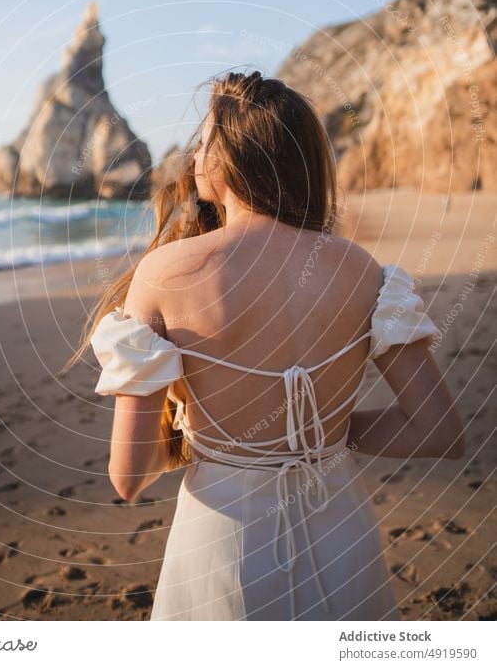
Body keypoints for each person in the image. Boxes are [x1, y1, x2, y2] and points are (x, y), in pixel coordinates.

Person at [64, 69, 465, 621]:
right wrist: (327, 430)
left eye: (203, 139)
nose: (192, 153)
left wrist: (200, 434)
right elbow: (438, 431)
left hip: (224, 541)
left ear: (229, 155)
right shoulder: (361, 269)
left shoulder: (165, 273)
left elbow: (128, 476)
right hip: (339, 524)